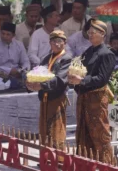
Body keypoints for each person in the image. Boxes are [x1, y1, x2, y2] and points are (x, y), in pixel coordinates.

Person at [68, 20, 115, 163]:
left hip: (97, 99)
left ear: (102, 34)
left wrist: (81, 81)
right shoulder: (88, 52)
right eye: (88, 33)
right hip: (84, 97)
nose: (90, 35)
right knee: (84, 133)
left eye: (93, 33)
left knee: (100, 134)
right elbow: (81, 72)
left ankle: (107, 165)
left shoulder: (107, 54)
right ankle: (87, 164)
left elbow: (102, 78)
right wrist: (74, 81)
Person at [26, 30, 72, 158]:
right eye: (54, 41)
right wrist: (31, 83)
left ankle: (59, 159)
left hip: (57, 98)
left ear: (64, 43)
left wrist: (41, 85)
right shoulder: (46, 58)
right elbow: (38, 74)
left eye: (60, 41)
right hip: (44, 98)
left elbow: (60, 80)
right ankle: (46, 158)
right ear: (50, 43)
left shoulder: (66, 59)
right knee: (44, 128)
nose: (57, 44)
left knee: (56, 129)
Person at [0, 22, 30, 89]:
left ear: (13, 35)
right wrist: (9, 70)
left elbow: (26, 61)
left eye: (8, 34)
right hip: (1, 76)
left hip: (18, 74)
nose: (4, 36)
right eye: (2, 33)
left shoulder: (19, 45)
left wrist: (22, 71)